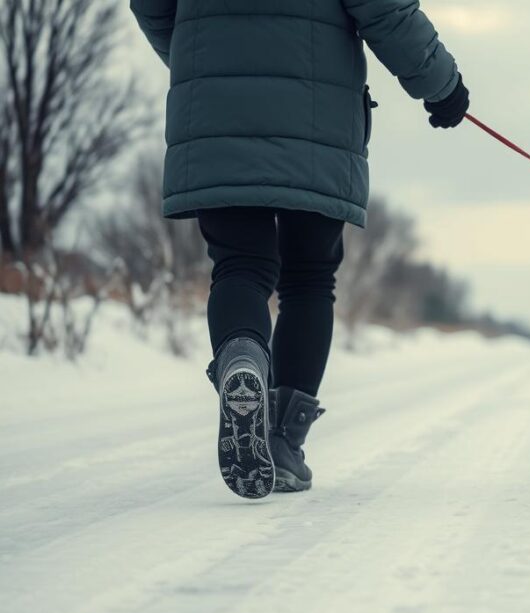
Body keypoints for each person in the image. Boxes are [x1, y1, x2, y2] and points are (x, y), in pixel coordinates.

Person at [130, 0, 469, 499]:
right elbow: (386, 10)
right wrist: (442, 85)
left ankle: (243, 358)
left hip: (216, 112)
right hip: (318, 117)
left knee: (239, 264)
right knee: (309, 278)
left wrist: (197, 59)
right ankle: (283, 443)